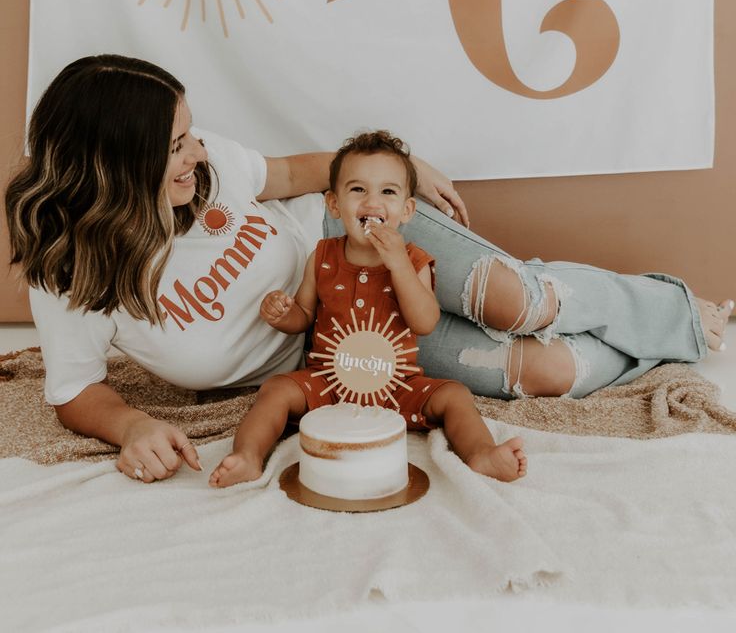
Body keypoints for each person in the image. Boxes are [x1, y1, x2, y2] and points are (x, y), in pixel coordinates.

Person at [5, 54, 731, 486]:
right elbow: (74, 390)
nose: (197, 154)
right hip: (336, 353)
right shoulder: (70, 275)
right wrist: (130, 425)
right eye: (175, 146)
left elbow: (294, 172)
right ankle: (654, 338)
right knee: (542, 373)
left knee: (518, 300)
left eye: (192, 134)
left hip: (350, 232)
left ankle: (679, 313)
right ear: (116, 168)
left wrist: (397, 173)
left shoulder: (205, 166)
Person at [209, 131, 527, 488]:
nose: (372, 202)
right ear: (334, 204)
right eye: (358, 190)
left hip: (397, 385)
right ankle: (248, 456)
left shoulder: (413, 261)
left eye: (388, 192)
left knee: (454, 395)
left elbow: (425, 322)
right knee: (276, 390)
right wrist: (284, 315)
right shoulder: (323, 256)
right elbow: (304, 316)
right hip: (328, 384)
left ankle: (482, 453)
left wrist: (399, 266)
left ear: (407, 210)